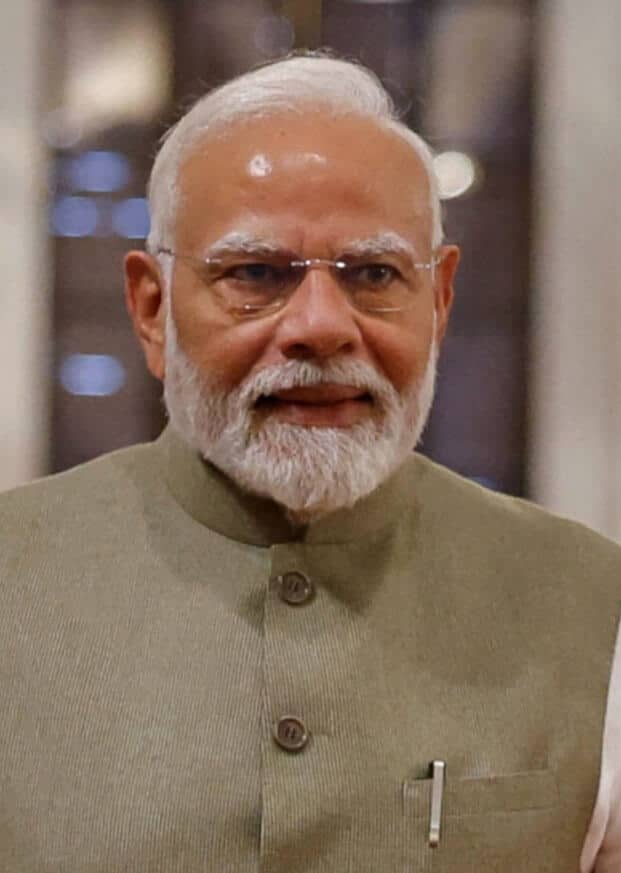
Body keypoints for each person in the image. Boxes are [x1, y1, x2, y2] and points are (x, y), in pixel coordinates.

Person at [0, 52, 620, 873]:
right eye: (255, 273)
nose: (321, 326)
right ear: (151, 309)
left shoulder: (595, 608)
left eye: (373, 273)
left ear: (438, 301)